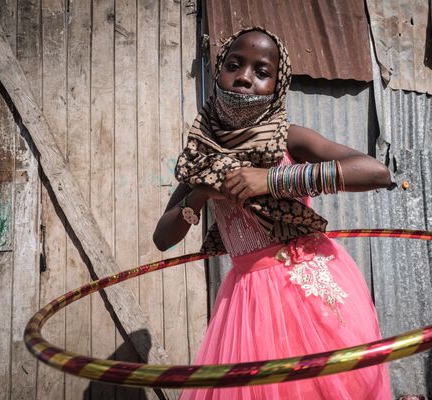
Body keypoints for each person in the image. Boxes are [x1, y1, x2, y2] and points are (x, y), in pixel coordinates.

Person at [154, 26, 392, 400]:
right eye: (235, 65)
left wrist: (272, 180)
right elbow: (163, 239)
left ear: (278, 86)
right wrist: (202, 190)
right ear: (219, 71)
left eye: (261, 72)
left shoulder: (290, 138)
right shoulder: (201, 156)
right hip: (249, 301)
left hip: (312, 286)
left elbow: (376, 172)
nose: (245, 77)